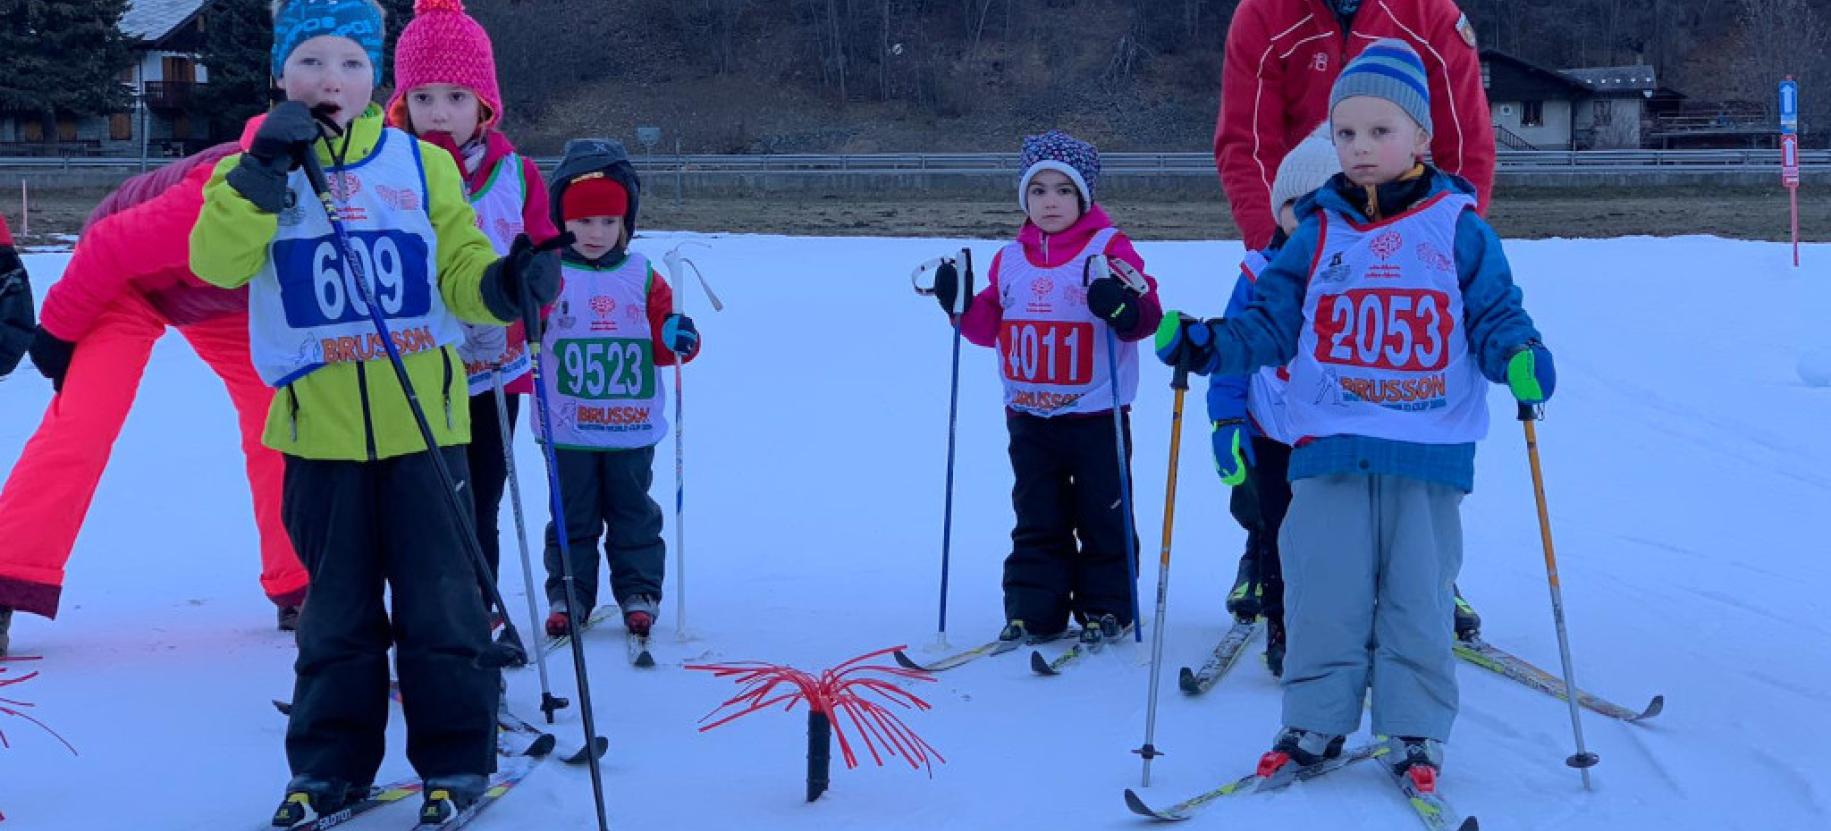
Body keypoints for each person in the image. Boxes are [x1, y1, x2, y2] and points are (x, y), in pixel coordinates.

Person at [185, 0, 559, 822]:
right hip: (316, 435)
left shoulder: (418, 166)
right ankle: (327, 767)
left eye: (352, 64)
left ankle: (457, 758)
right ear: (280, 75)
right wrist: (258, 173)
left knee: (442, 605)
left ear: (374, 81)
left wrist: (503, 286)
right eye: (312, 62)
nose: (332, 79)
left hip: (425, 429)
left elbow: (459, 267)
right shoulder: (247, 171)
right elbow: (216, 261)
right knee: (336, 614)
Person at [1156, 40, 1553, 788]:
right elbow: (1268, 326)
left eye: (1380, 130)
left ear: (1421, 138)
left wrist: (1519, 354)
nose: (1360, 147)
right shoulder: (1315, 232)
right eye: (1345, 133)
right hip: (1329, 444)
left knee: (1416, 595)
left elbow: (1496, 313)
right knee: (1322, 591)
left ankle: (1413, 730)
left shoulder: (1459, 227)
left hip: (1425, 450)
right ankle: (1314, 720)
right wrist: (1209, 344)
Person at [0, 145, 311, 660]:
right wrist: (57, 332)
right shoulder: (224, 187)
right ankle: (7, 576)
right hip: (123, 279)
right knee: (85, 423)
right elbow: (109, 246)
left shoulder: (363, 194)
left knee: (279, 423)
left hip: (222, 295)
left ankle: (301, 582)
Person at [933, 129, 1163, 646]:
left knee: (1103, 513)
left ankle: (1107, 606)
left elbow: (1146, 316)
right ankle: (1035, 609)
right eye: (1038, 190)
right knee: (1037, 513)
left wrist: (1119, 304)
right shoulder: (1010, 259)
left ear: (1084, 197)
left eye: (1063, 189)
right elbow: (983, 329)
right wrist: (958, 304)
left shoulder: (1108, 248)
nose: (1050, 201)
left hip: (1095, 416)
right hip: (1029, 415)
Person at [385, 0, 559, 594]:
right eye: (423, 97)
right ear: (400, 103)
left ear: (484, 104)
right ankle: (420, 617)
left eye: (456, 98)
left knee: (481, 496)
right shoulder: (385, 171)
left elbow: (544, 251)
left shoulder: (516, 174)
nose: (438, 114)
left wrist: (537, 285)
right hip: (409, 369)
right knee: (419, 501)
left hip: (491, 371)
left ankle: (483, 610)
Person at [536, 138, 699, 641]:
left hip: (629, 429)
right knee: (571, 517)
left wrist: (679, 338)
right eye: (583, 221)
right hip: (569, 428)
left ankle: (638, 591)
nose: (596, 232)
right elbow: (525, 330)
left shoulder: (643, 275)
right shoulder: (549, 273)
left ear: (625, 224)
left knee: (633, 515)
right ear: (561, 220)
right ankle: (571, 592)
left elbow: (665, 343)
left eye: (608, 222)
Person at [1209, 128, 1340, 677]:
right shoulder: (1257, 273)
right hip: (1271, 432)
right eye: (1293, 204)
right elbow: (1232, 350)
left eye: (1320, 204)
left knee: (1337, 541)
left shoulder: (1353, 270)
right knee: (1280, 538)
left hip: (1335, 434)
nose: (1304, 216)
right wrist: (1227, 418)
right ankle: (1283, 631)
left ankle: (1343, 632)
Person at [1214, 0, 1495, 250]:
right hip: (1302, 230)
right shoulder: (1262, 14)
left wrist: (1450, 245)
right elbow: (1247, 146)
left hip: (1403, 233)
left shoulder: (1431, 14)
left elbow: (1467, 145)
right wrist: (1274, 244)